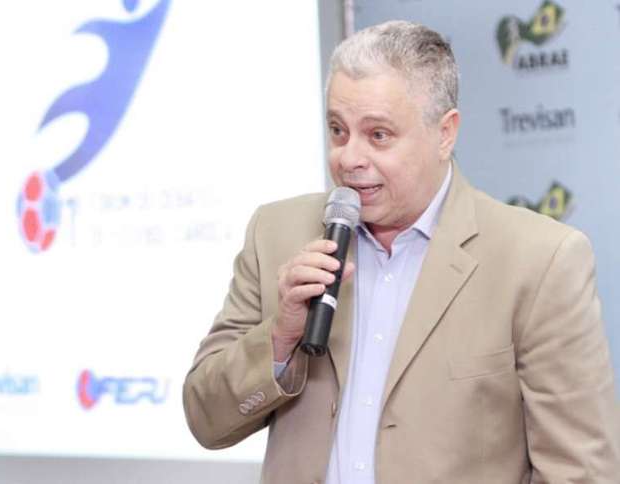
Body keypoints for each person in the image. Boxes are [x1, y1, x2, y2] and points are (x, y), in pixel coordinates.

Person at [182, 20, 619, 483]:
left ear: (445, 133)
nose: (349, 158)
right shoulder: (276, 233)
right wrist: (279, 339)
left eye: (378, 135)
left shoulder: (539, 259)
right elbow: (205, 419)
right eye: (338, 130)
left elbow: (581, 471)